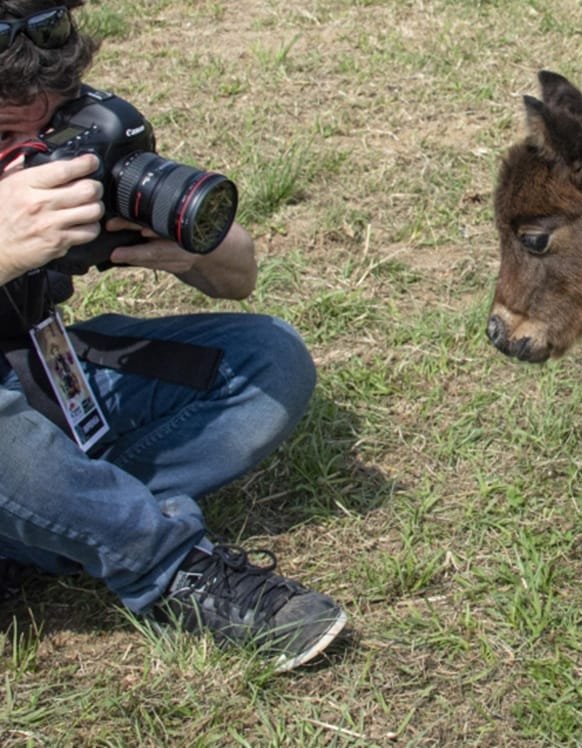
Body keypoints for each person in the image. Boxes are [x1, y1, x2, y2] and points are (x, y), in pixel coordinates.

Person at [0, 0, 346, 671]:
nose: (37, 138)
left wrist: (193, 248)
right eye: (11, 122)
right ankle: (168, 565)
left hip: (40, 366)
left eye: (51, 112)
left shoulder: (60, 129)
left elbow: (239, 276)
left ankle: (52, 521)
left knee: (268, 363)